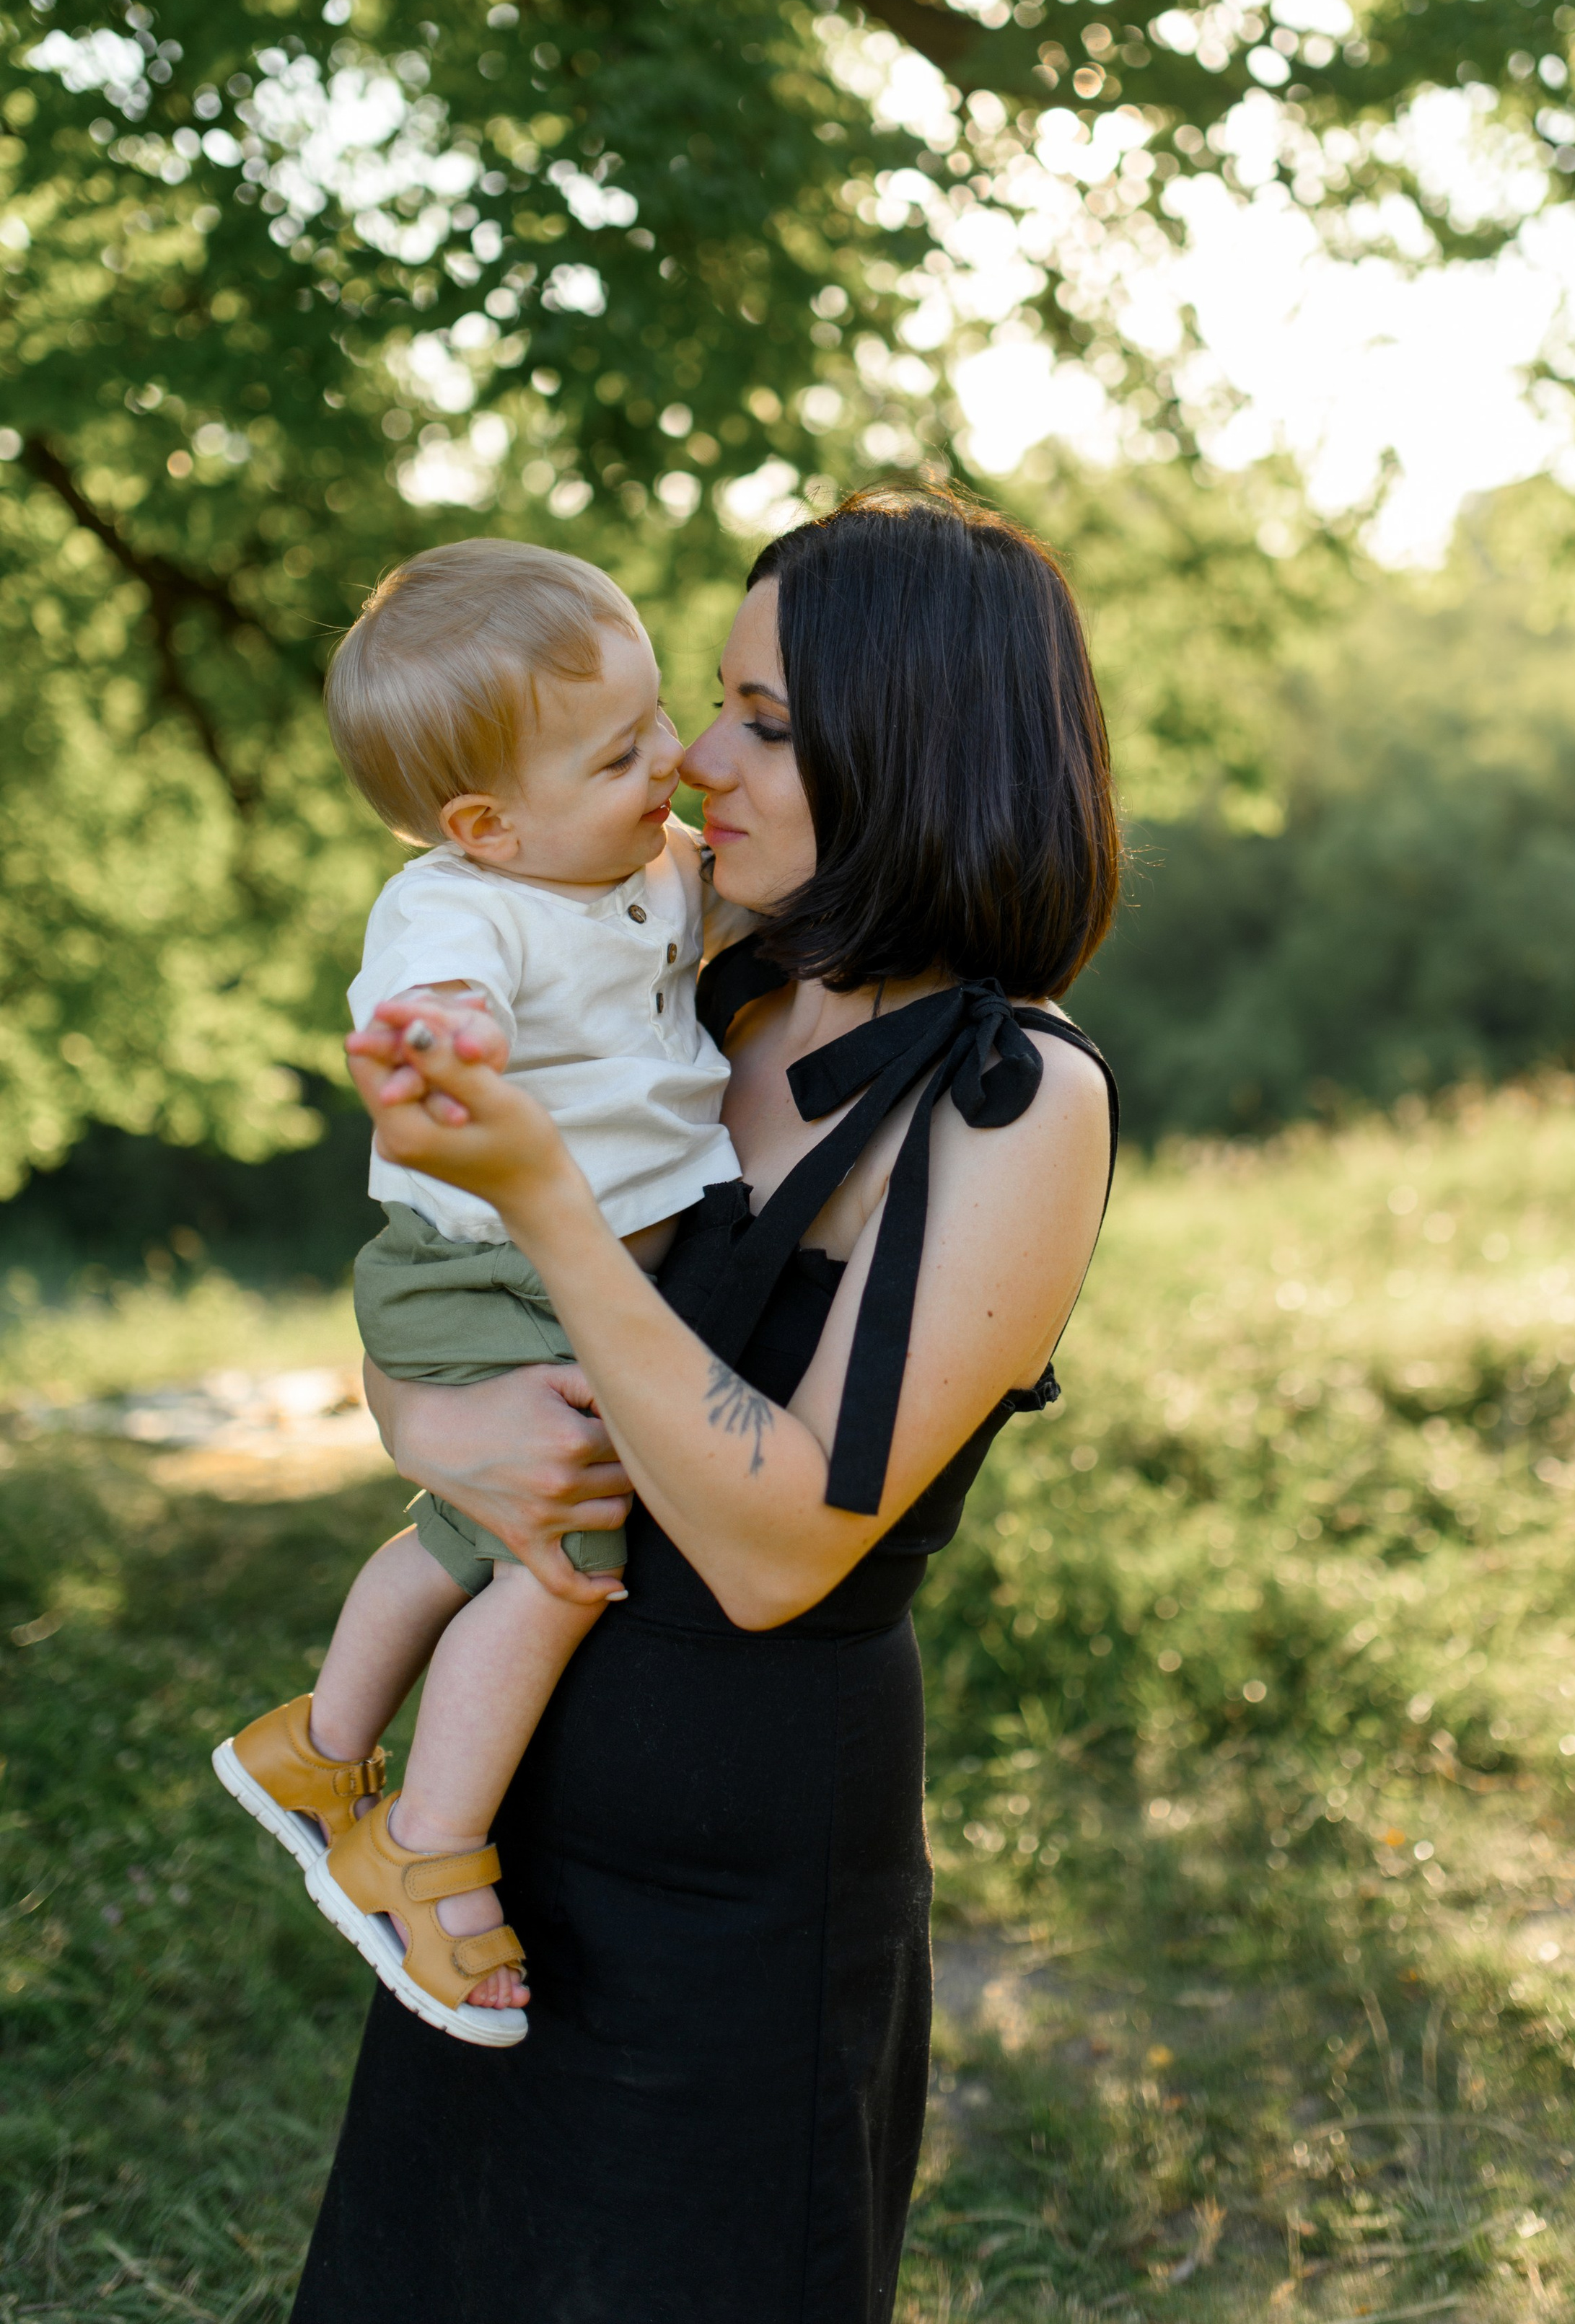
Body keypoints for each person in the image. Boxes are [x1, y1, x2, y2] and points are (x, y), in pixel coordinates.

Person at [292, 485, 1121, 2324]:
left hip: (740, 1881)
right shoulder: (703, 987)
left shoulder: (1009, 1096)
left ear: (907, 751)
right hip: (501, 1832)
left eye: (760, 720)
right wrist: (431, 1427)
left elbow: (771, 1548)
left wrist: (545, 1201)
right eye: (710, 705)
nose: (691, 755)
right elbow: (440, 1329)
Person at [214, 540, 736, 2046]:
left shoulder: (645, 861)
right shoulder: (462, 911)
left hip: (556, 1273)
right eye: (622, 750)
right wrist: (443, 1039)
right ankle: (420, 1847)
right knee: (563, 1549)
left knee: (465, 1525)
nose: (674, 761)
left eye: (665, 718)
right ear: (485, 825)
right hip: (484, 1266)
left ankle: (314, 1747)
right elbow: (432, 994)